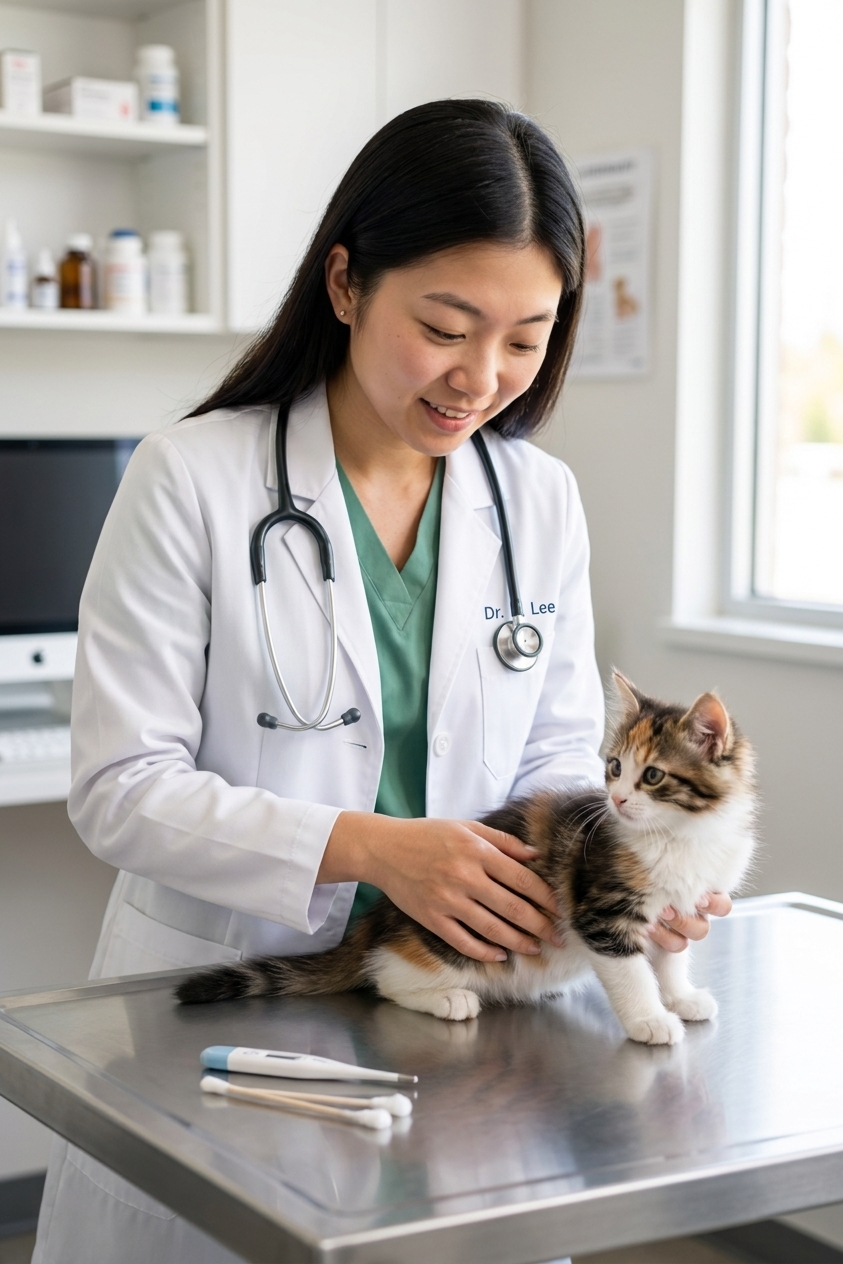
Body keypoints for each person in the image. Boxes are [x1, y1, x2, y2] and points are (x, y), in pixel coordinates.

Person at [33, 99, 730, 1264]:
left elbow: (559, 756)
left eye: (525, 337)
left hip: (468, 1022)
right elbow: (119, 787)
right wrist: (370, 846)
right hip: (234, 1005)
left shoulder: (536, 499)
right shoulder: (192, 478)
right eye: (447, 326)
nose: (483, 377)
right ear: (347, 284)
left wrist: (631, 862)